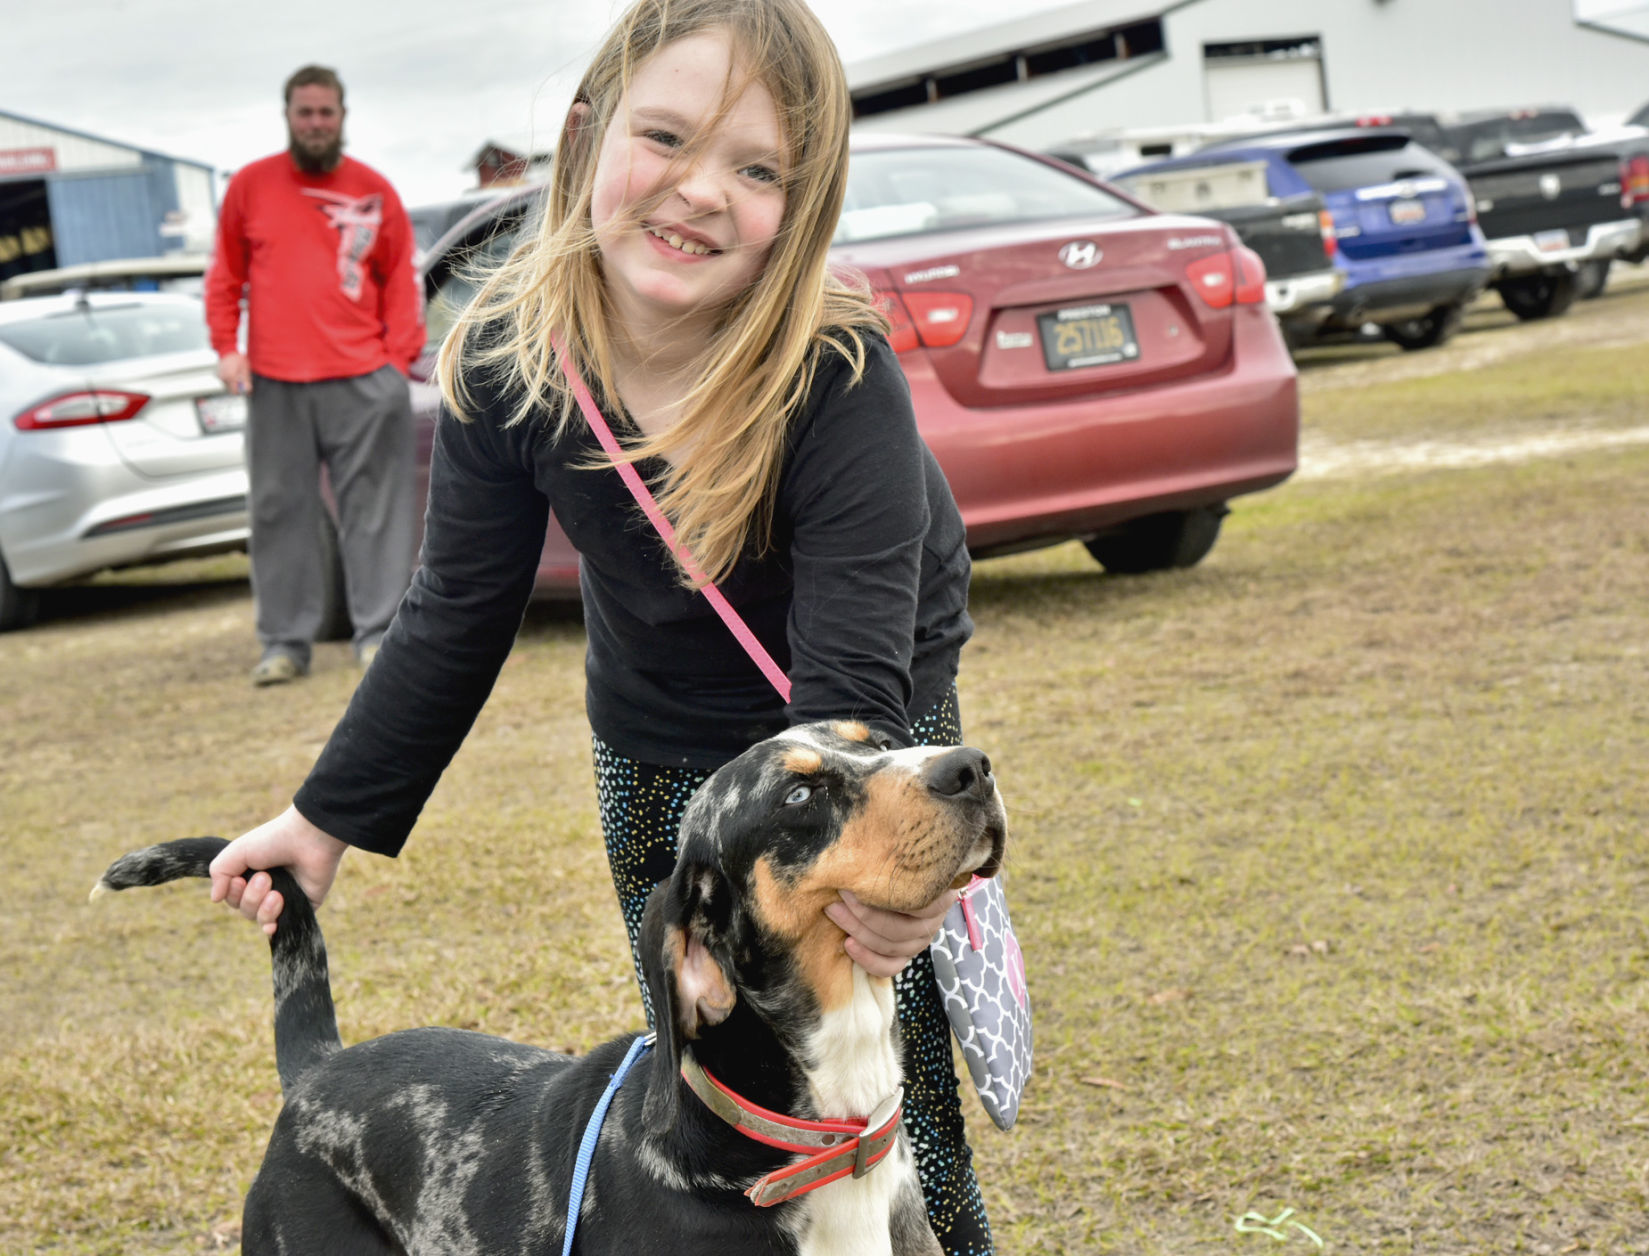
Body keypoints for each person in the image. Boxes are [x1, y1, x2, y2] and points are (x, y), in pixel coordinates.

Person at [206, 2, 993, 1251]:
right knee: (714, 1076)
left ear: (801, 207)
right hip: (659, 730)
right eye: (664, 138)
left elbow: (851, 682)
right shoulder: (509, 358)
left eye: (756, 170)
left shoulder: (834, 363)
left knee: (896, 1105)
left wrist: (878, 881)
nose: (699, 191)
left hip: (861, 709)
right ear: (585, 136)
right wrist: (323, 819)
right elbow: (454, 613)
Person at [205, 64, 424, 686]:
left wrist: (395, 361)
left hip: (364, 379)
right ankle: (284, 645)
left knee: (376, 513)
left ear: (342, 116)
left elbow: (401, 279)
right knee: (279, 512)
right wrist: (226, 347)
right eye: (305, 112)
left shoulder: (374, 190)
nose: (316, 123)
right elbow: (224, 276)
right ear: (288, 116)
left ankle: (379, 637)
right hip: (275, 380)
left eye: (326, 112)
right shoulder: (250, 186)